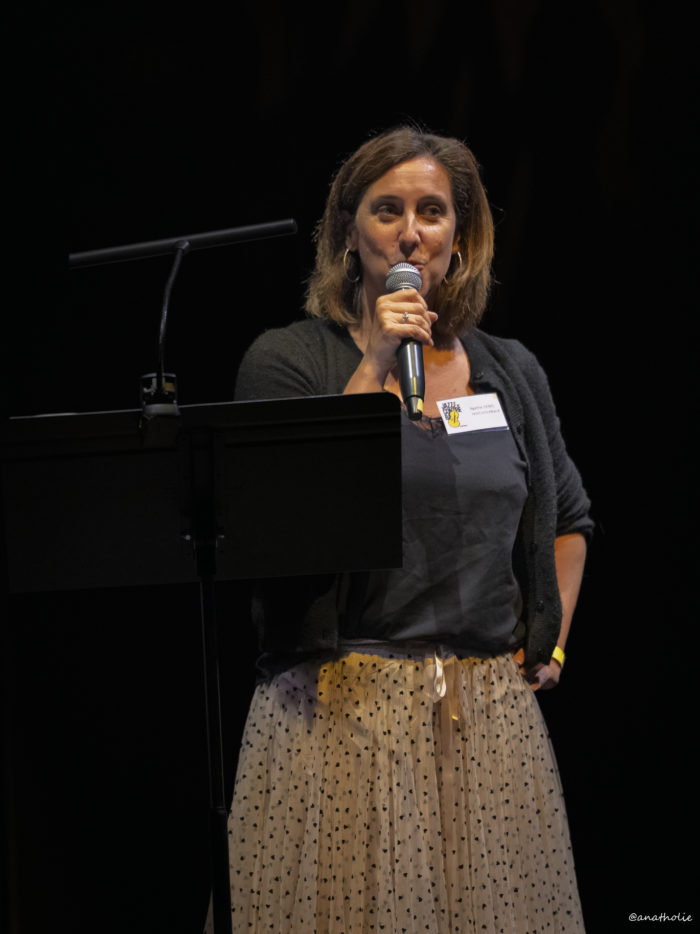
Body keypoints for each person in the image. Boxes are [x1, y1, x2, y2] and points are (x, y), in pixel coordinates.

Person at [218, 126, 593, 933]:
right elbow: (290, 517)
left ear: (460, 238)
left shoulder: (510, 370)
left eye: (432, 212)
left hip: (487, 720)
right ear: (350, 234)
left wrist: (552, 640)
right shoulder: (291, 362)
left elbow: (568, 519)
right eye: (387, 210)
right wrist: (377, 364)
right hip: (340, 713)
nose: (411, 232)